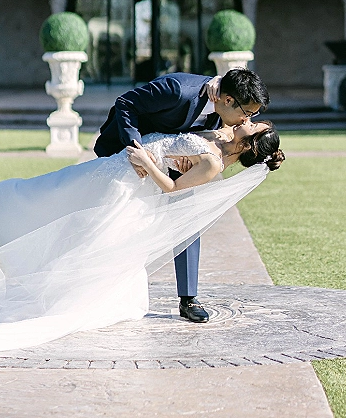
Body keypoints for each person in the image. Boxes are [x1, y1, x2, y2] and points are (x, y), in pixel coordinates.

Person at [0, 120, 284, 358]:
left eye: (255, 126)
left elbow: (173, 191)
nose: (249, 121)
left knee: (79, 225)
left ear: (249, 144)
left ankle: (11, 216)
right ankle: (1, 197)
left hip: (134, 184)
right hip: (122, 170)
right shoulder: (218, 139)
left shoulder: (215, 163)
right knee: (63, 191)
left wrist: (149, 160)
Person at [94, 68, 270, 322]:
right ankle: (100, 283)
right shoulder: (177, 91)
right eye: (247, 114)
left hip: (173, 163)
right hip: (130, 152)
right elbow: (126, 102)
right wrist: (138, 151)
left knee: (188, 218)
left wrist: (189, 155)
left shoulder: (223, 107)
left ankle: (188, 298)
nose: (246, 121)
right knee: (117, 220)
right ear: (229, 100)